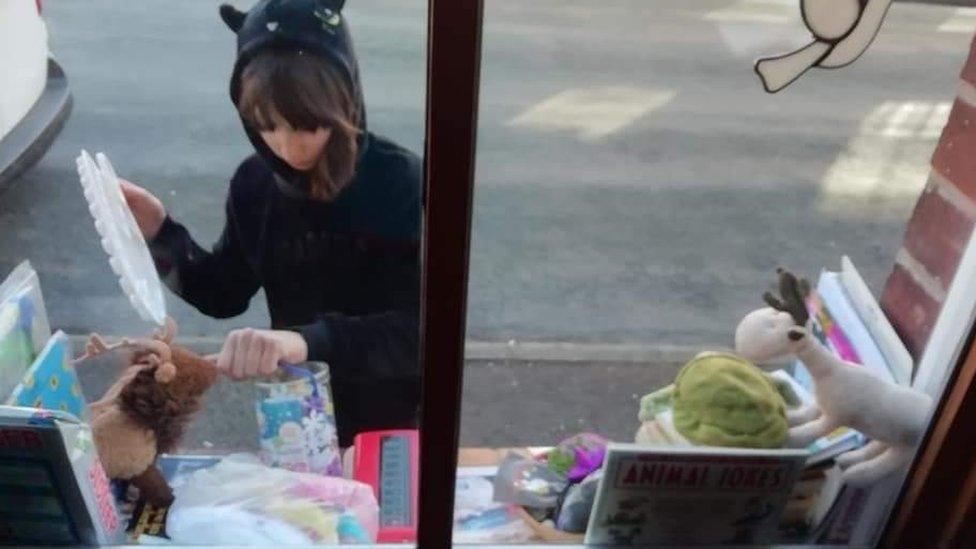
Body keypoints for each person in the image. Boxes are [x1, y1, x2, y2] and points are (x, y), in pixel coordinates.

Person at [119, 0, 422, 446]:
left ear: (345, 100)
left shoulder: (398, 181)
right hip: (295, 412)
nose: (285, 146)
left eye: (305, 126)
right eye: (265, 126)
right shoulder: (255, 184)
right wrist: (160, 233)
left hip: (389, 416)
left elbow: (417, 332)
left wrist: (304, 342)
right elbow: (223, 291)